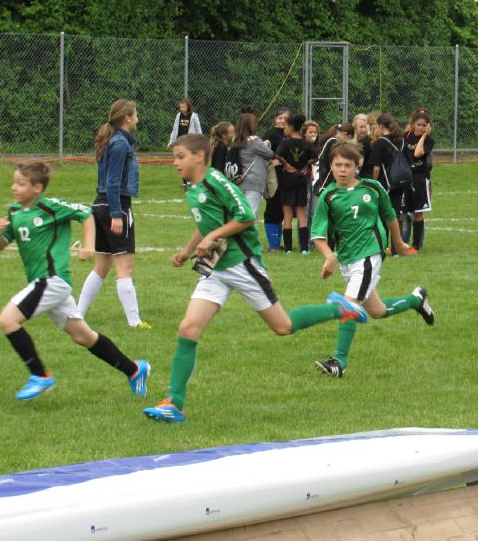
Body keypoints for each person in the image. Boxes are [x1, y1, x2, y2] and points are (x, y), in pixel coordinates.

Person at [143, 134, 390, 423]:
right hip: (217, 269)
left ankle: (340, 309)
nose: (175, 163)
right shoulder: (193, 187)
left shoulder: (216, 182)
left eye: (180, 157)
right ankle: (174, 403)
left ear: (199, 157)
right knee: (188, 328)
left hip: (243, 264)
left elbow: (245, 217)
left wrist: (212, 237)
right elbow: (207, 222)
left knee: (283, 326)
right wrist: (187, 251)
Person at [0, 160, 150, 400]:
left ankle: (40, 375)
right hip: (46, 285)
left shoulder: (50, 207)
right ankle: (135, 370)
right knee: (83, 336)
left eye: (21, 184)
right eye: (14, 183)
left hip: (52, 280)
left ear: (37, 188)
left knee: (7, 320)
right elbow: (1, 245)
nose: (14, 188)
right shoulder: (14, 211)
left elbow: (85, 213)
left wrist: (88, 245)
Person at [310, 141, 435, 378]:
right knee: (378, 311)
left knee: (348, 305)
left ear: (357, 165)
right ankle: (416, 300)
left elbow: (390, 215)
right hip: (347, 259)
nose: (342, 170)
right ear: (331, 166)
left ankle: (339, 362)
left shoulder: (372, 187)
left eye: (347, 165)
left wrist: (399, 243)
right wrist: (329, 256)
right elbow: (317, 234)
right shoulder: (328, 196)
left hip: (370, 255)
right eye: (338, 165)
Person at [77, 99, 148, 329]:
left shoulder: (113, 140)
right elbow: (113, 181)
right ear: (127, 117)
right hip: (114, 207)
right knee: (124, 268)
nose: (137, 118)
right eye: (135, 114)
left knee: (101, 268)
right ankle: (135, 322)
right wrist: (117, 214)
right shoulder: (120, 144)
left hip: (100, 206)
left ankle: (77, 315)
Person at [275, 113, 317, 255]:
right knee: (301, 214)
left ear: (291, 127)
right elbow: (315, 156)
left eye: (286, 126)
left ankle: (288, 249)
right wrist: (305, 166)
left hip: (287, 179)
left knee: (287, 214)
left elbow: (277, 155)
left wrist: (286, 164)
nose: (284, 129)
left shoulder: (285, 143)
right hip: (301, 180)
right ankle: (304, 248)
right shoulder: (306, 143)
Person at [226, 112, 274, 222]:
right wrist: (266, 144)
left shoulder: (236, 140)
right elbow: (270, 154)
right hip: (253, 182)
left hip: (239, 180)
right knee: (251, 216)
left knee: (242, 212)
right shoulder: (254, 141)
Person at [402, 109, 434, 251]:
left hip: (420, 178)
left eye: (424, 125)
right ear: (413, 124)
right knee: (404, 213)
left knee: (418, 213)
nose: (420, 127)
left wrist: (424, 136)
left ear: (428, 126)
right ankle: (403, 244)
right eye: (418, 124)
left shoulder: (429, 141)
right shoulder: (405, 137)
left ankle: (416, 246)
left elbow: (417, 153)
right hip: (406, 178)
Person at [370, 112, 412, 219]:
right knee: (397, 215)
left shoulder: (380, 143)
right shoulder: (402, 141)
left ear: (381, 126)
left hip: (386, 185)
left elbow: (376, 168)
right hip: (401, 182)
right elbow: (409, 161)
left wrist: (374, 184)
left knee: (384, 216)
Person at [261, 108, 291, 252]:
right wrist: (271, 162)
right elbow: (261, 152)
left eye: (285, 118)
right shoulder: (271, 134)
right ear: (275, 119)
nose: (282, 121)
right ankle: (273, 246)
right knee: (273, 209)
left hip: (286, 178)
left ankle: (278, 244)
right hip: (274, 177)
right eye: (280, 118)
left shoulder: (289, 134)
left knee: (281, 210)